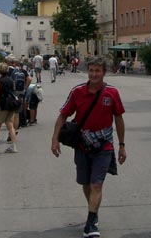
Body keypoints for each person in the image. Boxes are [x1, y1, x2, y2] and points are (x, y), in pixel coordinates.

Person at [51, 56, 127, 238]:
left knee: (96, 184)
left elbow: (118, 119)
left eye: (97, 71)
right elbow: (63, 115)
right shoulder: (77, 92)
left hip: (104, 145)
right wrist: (54, 139)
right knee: (85, 183)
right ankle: (94, 210)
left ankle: (91, 221)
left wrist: (122, 145)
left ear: (104, 72)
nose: (94, 74)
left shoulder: (112, 93)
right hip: (82, 145)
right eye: (91, 70)